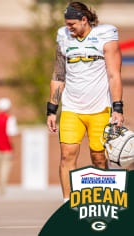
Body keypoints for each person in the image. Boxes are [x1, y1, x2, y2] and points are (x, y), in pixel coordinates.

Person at [46, 2, 124, 202]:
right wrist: (51, 110)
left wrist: (118, 108)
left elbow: (114, 74)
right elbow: (58, 74)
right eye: (66, 24)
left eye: (72, 24)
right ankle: (67, 204)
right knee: (67, 155)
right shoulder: (64, 37)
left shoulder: (105, 36)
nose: (69, 27)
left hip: (100, 108)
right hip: (72, 108)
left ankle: (104, 202)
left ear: (84, 20)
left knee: (99, 157)